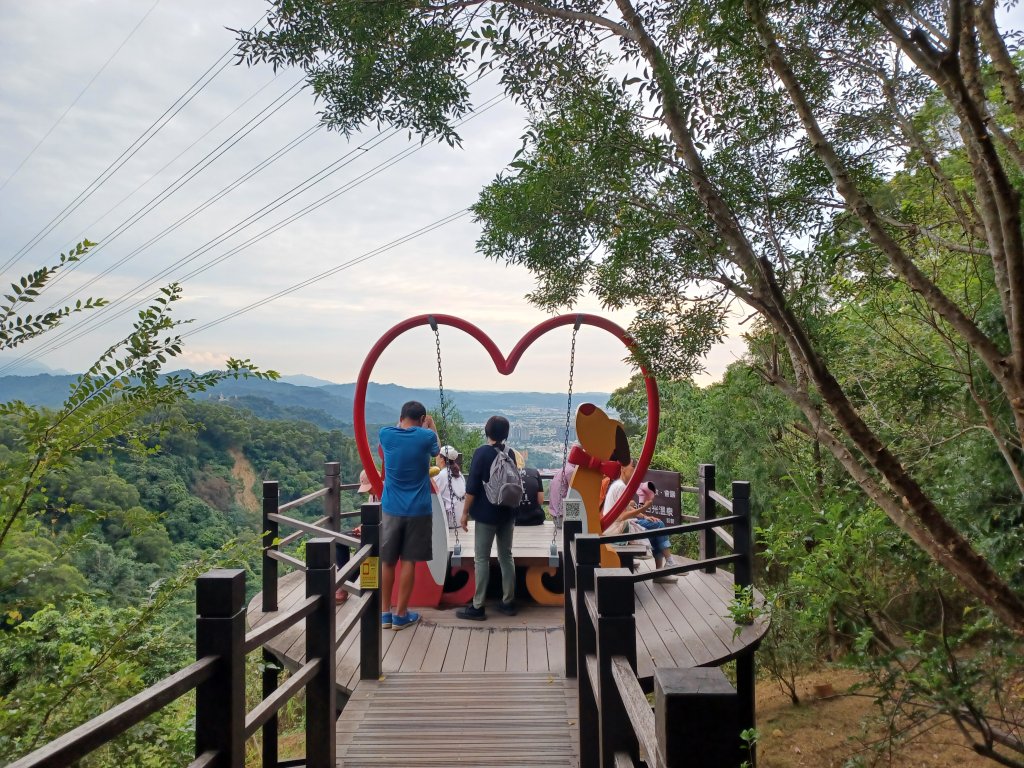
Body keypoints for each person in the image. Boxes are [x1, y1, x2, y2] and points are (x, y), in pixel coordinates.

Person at [378, 401, 439, 630]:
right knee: (409, 561)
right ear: (422, 419)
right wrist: (430, 426)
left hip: (390, 508)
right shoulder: (426, 436)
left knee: (388, 561)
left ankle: (384, 613)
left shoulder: (386, 434)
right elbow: (437, 451)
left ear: (401, 416)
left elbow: (398, 429)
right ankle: (401, 615)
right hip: (418, 509)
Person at [457, 415, 518, 620]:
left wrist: (465, 513)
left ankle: (478, 606)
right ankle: (508, 602)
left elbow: (472, 487)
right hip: (507, 513)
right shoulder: (510, 453)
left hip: (486, 514)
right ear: (506, 434)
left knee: (481, 558)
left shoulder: (481, 453)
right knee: (506, 556)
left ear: (487, 431)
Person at [603, 460, 678, 583]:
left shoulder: (618, 484)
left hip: (612, 527)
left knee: (657, 528)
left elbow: (625, 508)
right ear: (622, 468)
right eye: (633, 467)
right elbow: (621, 516)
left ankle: (666, 566)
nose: (635, 470)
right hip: (617, 529)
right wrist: (644, 508)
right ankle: (666, 565)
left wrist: (644, 516)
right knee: (659, 526)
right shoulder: (621, 486)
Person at [434, 445, 465, 529]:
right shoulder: (459, 474)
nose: (435, 457)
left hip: (450, 521)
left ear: (442, 459)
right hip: (460, 519)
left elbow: (433, 495)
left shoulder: (441, 475)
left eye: (437, 455)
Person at [514, 450, 545, 526]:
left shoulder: (506, 475)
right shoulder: (535, 472)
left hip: (514, 519)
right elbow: (540, 500)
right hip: (536, 518)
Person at [546, 458, 576, 528]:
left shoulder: (564, 469)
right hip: (564, 519)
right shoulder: (571, 471)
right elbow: (575, 493)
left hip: (556, 517)